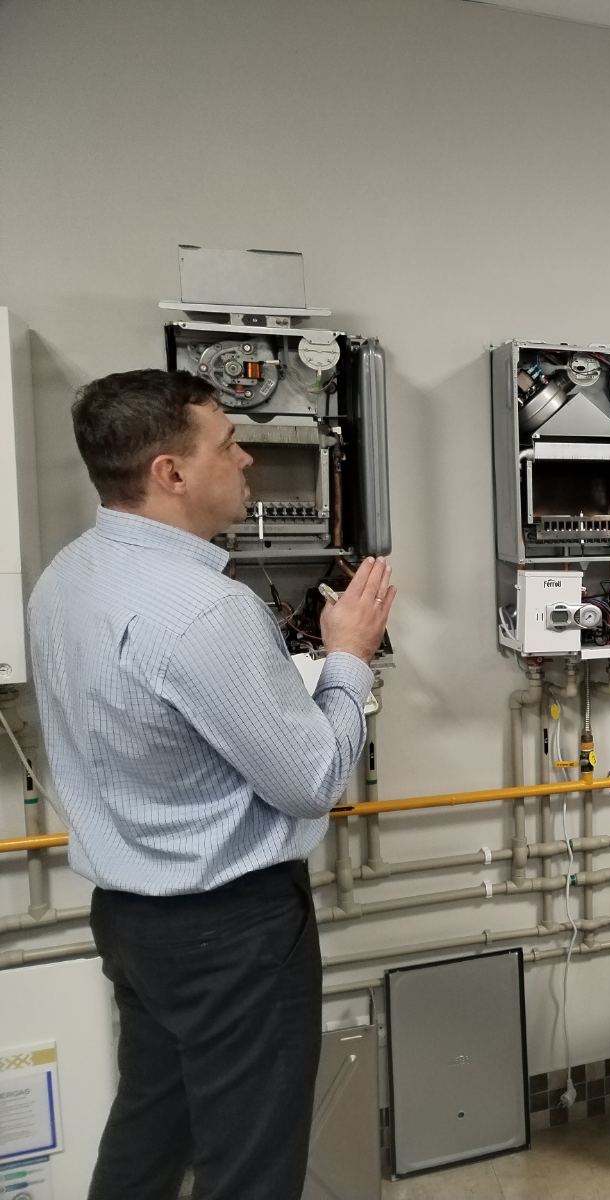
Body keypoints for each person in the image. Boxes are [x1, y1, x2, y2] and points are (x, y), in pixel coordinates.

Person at [27, 369, 396, 1200]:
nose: (247, 457)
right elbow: (313, 779)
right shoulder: (207, 611)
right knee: (250, 1167)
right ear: (171, 472)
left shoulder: (66, 576)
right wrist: (348, 657)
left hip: (132, 921)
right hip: (232, 935)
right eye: (228, 443)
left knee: (149, 1133)